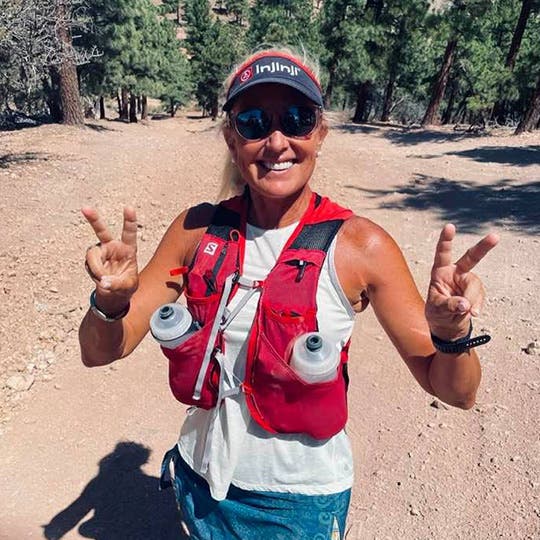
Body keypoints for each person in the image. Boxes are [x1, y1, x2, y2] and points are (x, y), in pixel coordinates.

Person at [79, 47, 499, 539]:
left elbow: (457, 392)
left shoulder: (361, 246)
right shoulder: (196, 231)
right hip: (198, 480)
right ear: (232, 139)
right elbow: (98, 353)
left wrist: (453, 333)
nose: (276, 142)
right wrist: (109, 302)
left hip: (299, 504)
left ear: (320, 133)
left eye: (297, 119)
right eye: (254, 122)